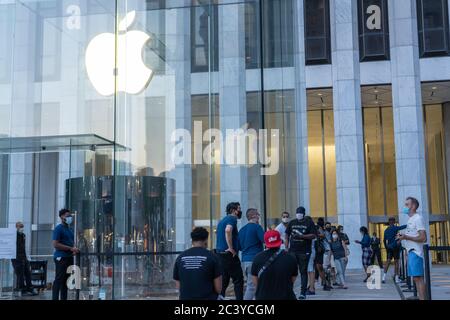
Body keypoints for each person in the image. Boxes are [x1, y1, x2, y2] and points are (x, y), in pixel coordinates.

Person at [173, 227, 222, 300]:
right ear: (206, 240)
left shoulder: (180, 258)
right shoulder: (212, 257)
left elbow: (178, 285)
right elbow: (218, 288)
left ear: (192, 241)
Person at [251, 230, 298, 300]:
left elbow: (255, 281)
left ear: (266, 243)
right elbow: (293, 279)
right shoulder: (291, 258)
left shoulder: (257, 258)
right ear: (280, 242)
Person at [396, 197, 427, 300]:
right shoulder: (411, 219)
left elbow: (423, 237)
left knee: (418, 278)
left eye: (407, 205)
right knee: (416, 278)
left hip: (416, 252)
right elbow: (412, 235)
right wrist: (402, 237)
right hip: (411, 252)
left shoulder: (418, 218)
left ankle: (423, 298)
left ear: (413, 206)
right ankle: (421, 298)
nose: (405, 207)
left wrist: (406, 237)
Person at [285, 206, 316, 300]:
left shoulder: (309, 222)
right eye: (297, 212)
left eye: (300, 212)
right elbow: (287, 234)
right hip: (292, 251)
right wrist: (286, 245)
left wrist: (302, 236)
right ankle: (289, 291)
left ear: (303, 213)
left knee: (303, 271)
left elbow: (313, 235)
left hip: (304, 251)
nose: (298, 214)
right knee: (290, 271)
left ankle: (302, 293)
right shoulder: (292, 222)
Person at [215, 202, 244, 300]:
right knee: (238, 279)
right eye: (239, 209)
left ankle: (220, 298)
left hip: (220, 255)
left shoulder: (222, 221)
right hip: (228, 255)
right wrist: (231, 247)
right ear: (233, 211)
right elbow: (228, 230)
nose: (240, 211)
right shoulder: (232, 219)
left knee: (224, 280)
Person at [52, 209, 79, 300]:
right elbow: (55, 244)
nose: (69, 218)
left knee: (65, 281)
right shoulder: (58, 228)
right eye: (67, 216)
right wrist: (70, 248)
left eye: (70, 216)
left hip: (69, 257)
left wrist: (74, 249)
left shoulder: (70, 229)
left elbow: (71, 243)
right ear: (62, 217)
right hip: (61, 257)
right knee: (59, 280)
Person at [238, 208, 264, 300]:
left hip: (245, 261)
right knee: (253, 287)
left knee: (252, 285)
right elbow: (264, 240)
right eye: (258, 214)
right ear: (253, 216)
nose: (259, 216)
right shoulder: (257, 227)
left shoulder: (241, 230)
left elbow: (239, 247)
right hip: (256, 260)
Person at [11, 222, 38, 296]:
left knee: (28, 273)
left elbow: (23, 248)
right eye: (20, 226)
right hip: (16, 258)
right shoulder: (13, 235)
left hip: (24, 257)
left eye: (22, 226)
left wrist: (26, 257)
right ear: (16, 227)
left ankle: (30, 288)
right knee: (20, 274)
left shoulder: (23, 235)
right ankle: (22, 289)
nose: (22, 228)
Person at [383, 217, 406, 283]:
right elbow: (402, 227)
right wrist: (409, 224)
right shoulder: (395, 228)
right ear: (393, 222)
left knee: (388, 262)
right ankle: (396, 279)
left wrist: (386, 248)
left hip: (389, 248)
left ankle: (383, 277)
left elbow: (384, 240)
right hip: (395, 247)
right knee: (396, 262)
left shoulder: (386, 230)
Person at [315, 218, 331, 291]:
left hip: (322, 251)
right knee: (320, 268)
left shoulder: (320, 229)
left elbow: (323, 236)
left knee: (322, 268)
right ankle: (324, 283)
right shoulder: (319, 229)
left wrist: (317, 234)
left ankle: (325, 283)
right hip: (321, 251)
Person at [306, 216, 317, 295]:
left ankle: (312, 288)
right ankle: (310, 286)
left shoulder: (310, 230)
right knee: (309, 270)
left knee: (310, 270)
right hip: (311, 251)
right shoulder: (313, 229)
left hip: (309, 251)